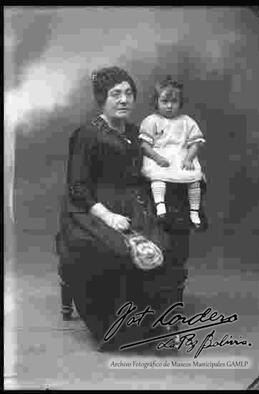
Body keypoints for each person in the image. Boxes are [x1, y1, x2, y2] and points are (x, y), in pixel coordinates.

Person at [56, 66, 197, 353]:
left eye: (129, 93)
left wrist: (191, 172)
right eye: (115, 94)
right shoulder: (86, 134)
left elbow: (157, 164)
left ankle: (158, 324)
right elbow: (77, 186)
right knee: (115, 250)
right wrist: (107, 216)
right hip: (92, 208)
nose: (123, 100)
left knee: (160, 245)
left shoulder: (137, 132)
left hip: (135, 204)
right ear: (102, 99)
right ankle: (120, 329)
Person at [139, 76, 206, 228]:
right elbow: (145, 145)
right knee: (158, 175)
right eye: (164, 102)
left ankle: (194, 212)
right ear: (156, 102)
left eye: (174, 102)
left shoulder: (186, 121)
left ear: (180, 102)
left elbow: (195, 143)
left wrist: (189, 158)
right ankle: (160, 206)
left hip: (181, 155)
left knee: (194, 178)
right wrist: (157, 158)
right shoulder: (151, 120)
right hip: (159, 155)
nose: (169, 106)